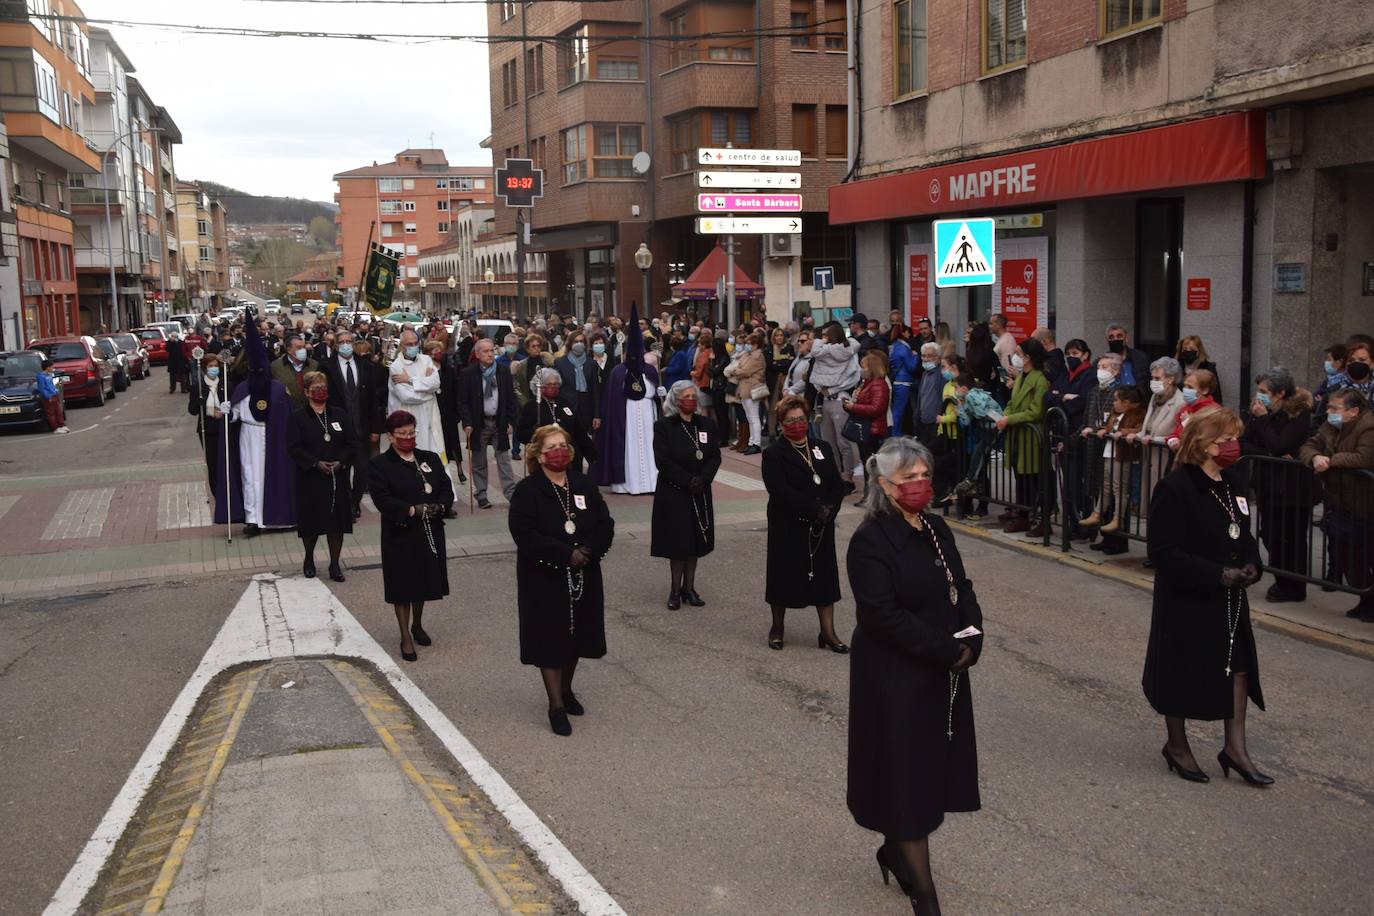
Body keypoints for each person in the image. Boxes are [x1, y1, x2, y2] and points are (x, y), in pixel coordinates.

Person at [847, 436, 984, 916]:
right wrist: (947, 651)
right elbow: (881, 615)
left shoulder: (935, 527)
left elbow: (959, 588)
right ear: (884, 485)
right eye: (909, 479)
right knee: (902, 772)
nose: (920, 485)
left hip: (942, 668)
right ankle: (924, 894)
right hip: (893, 674)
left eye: (925, 476)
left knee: (922, 769)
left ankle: (893, 851)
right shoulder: (871, 540)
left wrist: (973, 637)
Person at [1143, 407, 1271, 786]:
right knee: (1182, 667)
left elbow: (1244, 533)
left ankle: (1235, 749)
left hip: (1230, 597)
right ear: (1203, 443)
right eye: (1225, 439)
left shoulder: (1233, 482)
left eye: (1234, 438)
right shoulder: (1177, 486)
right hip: (1188, 594)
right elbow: (1163, 552)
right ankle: (1177, 745)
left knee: (1239, 667)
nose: (1233, 446)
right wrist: (1217, 574)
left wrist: (1252, 563)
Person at [508, 424, 615, 736]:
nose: (559, 452)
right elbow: (525, 534)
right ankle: (555, 704)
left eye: (563, 446)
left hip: (584, 572)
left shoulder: (583, 484)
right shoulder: (528, 491)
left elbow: (604, 523)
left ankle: (567, 690)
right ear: (539, 456)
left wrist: (588, 550)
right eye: (551, 448)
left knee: (578, 635)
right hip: (544, 576)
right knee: (550, 637)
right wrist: (565, 554)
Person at [368, 410, 455, 662]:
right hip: (401, 533)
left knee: (424, 582)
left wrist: (441, 506)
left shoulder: (428, 458)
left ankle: (417, 624)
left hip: (429, 531)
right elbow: (382, 499)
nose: (408, 437)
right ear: (390, 436)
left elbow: (445, 488)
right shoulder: (379, 465)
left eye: (411, 432)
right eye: (402, 434)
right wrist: (410, 510)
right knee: (403, 586)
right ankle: (405, 635)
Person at [762, 395, 847, 651]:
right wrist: (813, 509)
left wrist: (830, 510)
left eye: (801, 419)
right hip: (789, 522)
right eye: (790, 421)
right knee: (783, 575)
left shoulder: (821, 446)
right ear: (782, 423)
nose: (797, 425)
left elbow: (835, 482)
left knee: (824, 577)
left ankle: (828, 632)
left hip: (822, 524)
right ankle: (777, 627)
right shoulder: (774, 453)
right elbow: (779, 489)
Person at [1299, 388, 1374, 620]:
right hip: (1339, 501)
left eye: (1334, 408)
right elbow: (1308, 445)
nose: (1329, 412)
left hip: (1364, 501)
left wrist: (1330, 461)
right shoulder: (1331, 426)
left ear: (1353, 411)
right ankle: (1365, 598)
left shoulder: (1368, 427)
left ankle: (1370, 600)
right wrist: (1314, 457)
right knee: (1346, 555)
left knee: (1366, 554)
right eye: (1329, 407)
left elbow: (1364, 457)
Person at [1240, 368, 1314, 603]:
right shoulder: (1262, 413)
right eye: (1258, 390)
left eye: (1264, 392)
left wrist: (1263, 422)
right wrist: (1267, 450)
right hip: (1267, 484)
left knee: (1292, 538)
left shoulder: (1298, 415)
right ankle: (1282, 579)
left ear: (1280, 393)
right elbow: (1244, 442)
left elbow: (1280, 444)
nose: (1258, 396)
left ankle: (1294, 586)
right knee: (1269, 534)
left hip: (1292, 489)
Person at [650, 380, 722, 608]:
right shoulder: (664, 426)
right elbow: (663, 460)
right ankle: (674, 590)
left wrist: (703, 479)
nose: (690, 400)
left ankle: (689, 588)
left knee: (695, 541)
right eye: (685, 396)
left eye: (693, 396)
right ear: (676, 400)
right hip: (674, 491)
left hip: (700, 489)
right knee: (678, 541)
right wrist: (687, 480)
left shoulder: (707, 424)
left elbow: (714, 456)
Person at [223, 317, 295, 536]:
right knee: (250, 476)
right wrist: (228, 411)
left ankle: (278, 518)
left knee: (276, 475)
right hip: (249, 435)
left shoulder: (278, 389)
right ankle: (253, 519)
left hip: (274, 437)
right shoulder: (242, 389)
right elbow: (234, 417)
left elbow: (287, 414)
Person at [286, 372, 353, 582]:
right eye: (315, 388)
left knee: (337, 522)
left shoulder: (339, 414)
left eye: (323, 387)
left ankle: (334, 563)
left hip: (337, 475)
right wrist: (315, 463)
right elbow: (294, 447)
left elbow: (351, 443)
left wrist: (341, 462)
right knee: (311, 521)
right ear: (306, 392)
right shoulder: (297, 418)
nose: (321, 391)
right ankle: (308, 558)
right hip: (311, 477)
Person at [592, 304, 661, 495]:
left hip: (647, 415)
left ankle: (650, 482)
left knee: (649, 445)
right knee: (627, 447)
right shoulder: (618, 372)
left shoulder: (649, 370)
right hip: (626, 417)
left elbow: (655, 394)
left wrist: (658, 393)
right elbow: (612, 399)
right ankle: (625, 483)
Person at [324, 331, 386, 519]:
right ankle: (344, 503)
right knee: (341, 468)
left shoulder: (366, 366)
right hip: (338, 429)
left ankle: (354, 502)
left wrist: (376, 428)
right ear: (335, 346)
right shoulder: (327, 367)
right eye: (341, 342)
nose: (345, 345)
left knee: (362, 469)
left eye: (349, 341)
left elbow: (373, 400)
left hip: (362, 428)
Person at [995, 339, 1049, 535]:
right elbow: (1012, 401)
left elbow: (1035, 411)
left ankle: (1042, 520)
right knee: (1021, 479)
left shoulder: (1040, 379)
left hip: (1031, 436)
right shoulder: (1021, 377)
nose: (1016, 357)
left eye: (1019, 353)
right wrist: (1005, 415)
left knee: (1034, 480)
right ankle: (1023, 516)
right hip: (1018, 434)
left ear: (1028, 357)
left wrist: (1010, 419)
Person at [460, 337, 518, 509]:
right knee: (479, 461)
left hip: (499, 421)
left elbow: (510, 398)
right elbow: (462, 402)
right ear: (477, 354)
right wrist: (467, 423)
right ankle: (482, 493)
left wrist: (510, 420)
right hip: (479, 423)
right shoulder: (469, 374)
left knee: (504, 459)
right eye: (485, 351)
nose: (490, 354)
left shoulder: (503, 371)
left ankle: (510, 493)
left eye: (492, 350)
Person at [1085, 386, 1145, 546]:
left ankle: (1117, 518)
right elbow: (1109, 427)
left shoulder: (1137, 413)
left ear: (1126, 403)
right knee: (1105, 486)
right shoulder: (1115, 412)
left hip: (1122, 454)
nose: (1113, 403)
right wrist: (1103, 430)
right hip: (1109, 451)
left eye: (1116, 400)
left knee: (1119, 488)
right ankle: (1098, 513)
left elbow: (1140, 429)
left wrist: (1124, 432)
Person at [387, 329, 449, 478]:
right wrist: (428, 391)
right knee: (414, 456)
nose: (413, 346)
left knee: (434, 453)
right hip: (410, 418)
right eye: (409, 344)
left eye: (416, 343)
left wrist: (410, 380)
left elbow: (436, 382)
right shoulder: (396, 366)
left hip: (430, 417)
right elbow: (406, 396)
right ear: (402, 346)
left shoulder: (426, 360)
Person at [810, 323, 862, 492]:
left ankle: (848, 478)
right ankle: (838, 476)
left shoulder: (840, 351)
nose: (822, 337)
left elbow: (854, 374)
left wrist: (831, 389)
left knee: (842, 442)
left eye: (825, 334)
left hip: (838, 399)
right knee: (830, 442)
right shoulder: (835, 351)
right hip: (828, 400)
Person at [516, 368, 598, 474]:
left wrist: (592, 455)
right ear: (541, 387)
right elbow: (520, 433)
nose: (553, 387)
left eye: (555, 384)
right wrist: (537, 434)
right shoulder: (533, 406)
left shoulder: (565, 403)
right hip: (545, 458)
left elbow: (579, 432)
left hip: (570, 457)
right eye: (549, 384)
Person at [842, 351, 891, 503]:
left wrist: (854, 407)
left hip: (873, 430)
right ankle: (869, 494)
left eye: (863, 366)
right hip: (866, 428)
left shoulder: (879, 384)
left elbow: (877, 408)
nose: (860, 369)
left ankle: (876, 496)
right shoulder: (866, 384)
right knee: (867, 463)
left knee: (872, 464)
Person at [188, 353, 228, 485]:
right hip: (208, 430)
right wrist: (202, 403)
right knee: (213, 463)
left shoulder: (225, 384)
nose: (214, 368)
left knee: (226, 462)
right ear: (205, 368)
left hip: (224, 428)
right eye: (211, 366)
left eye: (216, 366)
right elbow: (192, 410)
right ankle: (215, 491)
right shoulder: (198, 387)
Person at [1165, 368, 1219, 448]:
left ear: (1205, 390)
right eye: (1185, 386)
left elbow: (1206, 436)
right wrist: (1172, 439)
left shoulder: (1213, 411)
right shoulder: (1186, 408)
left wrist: (1188, 422)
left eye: (1190, 387)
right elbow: (1177, 431)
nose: (1185, 390)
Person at [733, 329, 767, 454]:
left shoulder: (757, 356)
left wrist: (738, 371)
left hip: (752, 389)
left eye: (749, 343)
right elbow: (738, 367)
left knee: (754, 417)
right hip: (744, 388)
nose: (746, 345)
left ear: (755, 344)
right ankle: (751, 441)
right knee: (749, 417)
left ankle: (756, 443)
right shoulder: (748, 355)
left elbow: (744, 371)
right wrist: (738, 371)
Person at [271, 335, 318, 410]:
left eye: (303, 347)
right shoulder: (275, 367)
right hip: (286, 410)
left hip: (311, 410)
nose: (303, 350)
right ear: (289, 350)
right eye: (299, 347)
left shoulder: (314, 365)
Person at [887, 324, 917, 437]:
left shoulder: (893, 346)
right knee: (899, 411)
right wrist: (915, 356)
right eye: (908, 332)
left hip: (896, 381)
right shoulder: (904, 348)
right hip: (904, 382)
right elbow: (912, 367)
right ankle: (894, 435)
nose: (909, 334)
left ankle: (895, 433)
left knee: (896, 409)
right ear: (903, 333)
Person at [911, 342, 944, 445]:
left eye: (930, 356)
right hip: (923, 421)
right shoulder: (925, 373)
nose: (925, 359)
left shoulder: (941, 375)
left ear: (938, 358)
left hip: (936, 422)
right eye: (924, 356)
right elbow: (921, 395)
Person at [1106, 324, 1152, 397]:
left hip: (1139, 404)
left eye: (1119, 336)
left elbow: (1149, 384)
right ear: (1107, 340)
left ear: (1126, 338)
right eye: (1111, 337)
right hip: (1114, 404)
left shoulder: (1142, 358)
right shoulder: (1102, 363)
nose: (1115, 339)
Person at [1176, 335, 1223, 404]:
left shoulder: (1207, 367)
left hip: (1202, 406)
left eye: (1192, 349)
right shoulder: (1177, 366)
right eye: (1185, 349)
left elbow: (1216, 394)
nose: (1188, 352)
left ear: (1198, 351)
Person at [36, 358, 69, 434]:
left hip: (54, 395)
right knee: (51, 413)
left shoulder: (49, 375)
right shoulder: (41, 376)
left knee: (58, 411)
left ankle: (62, 425)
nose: (52, 368)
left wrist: (55, 391)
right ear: (47, 367)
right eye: (51, 367)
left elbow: (52, 385)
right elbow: (42, 388)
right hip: (48, 397)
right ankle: (55, 428)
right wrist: (48, 397)